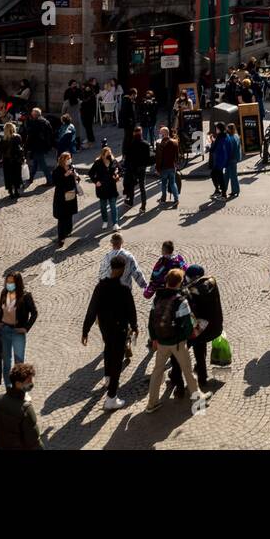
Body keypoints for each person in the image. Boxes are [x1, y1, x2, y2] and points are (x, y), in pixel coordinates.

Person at [145, 268, 210, 411]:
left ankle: (152, 403)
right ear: (180, 282)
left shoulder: (157, 298)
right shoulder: (181, 301)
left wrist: (154, 338)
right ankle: (198, 397)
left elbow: (151, 321)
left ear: (167, 280)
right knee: (187, 370)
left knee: (157, 371)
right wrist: (186, 338)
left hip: (161, 342)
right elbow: (187, 326)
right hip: (178, 343)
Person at [82, 255, 139, 410]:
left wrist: (85, 330)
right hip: (119, 329)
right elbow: (131, 311)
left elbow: (91, 309)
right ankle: (111, 397)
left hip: (105, 327)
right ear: (122, 269)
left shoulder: (100, 287)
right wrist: (134, 326)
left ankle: (107, 377)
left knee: (108, 348)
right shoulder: (124, 290)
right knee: (117, 359)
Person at [167, 263, 223, 394]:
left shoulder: (189, 291)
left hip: (193, 326)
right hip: (207, 325)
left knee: (178, 353)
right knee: (200, 350)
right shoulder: (210, 284)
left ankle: (176, 378)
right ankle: (202, 377)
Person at [0, 270, 38, 383]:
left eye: (11, 282)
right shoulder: (4, 293)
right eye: (7, 282)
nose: (9, 284)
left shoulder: (26, 296)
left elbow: (34, 313)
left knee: (19, 363)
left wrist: (26, 328)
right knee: (6, 362)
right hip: (5, 330)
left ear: (17, 283)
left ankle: (19, 387)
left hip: (18, 332)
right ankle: (9, 387)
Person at [52, 151, 80, 249]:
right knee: (62, 218)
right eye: (67, 158)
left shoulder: (72, 167)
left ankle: (68, 231)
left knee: (69, 215)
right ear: (63, 160)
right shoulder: (57, 170)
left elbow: (77, 179)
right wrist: (65, 175)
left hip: (71, 195)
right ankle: (61, 238)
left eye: (70, 158)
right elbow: (56, 182)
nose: (69, 160)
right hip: (61, 197)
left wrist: (76, 176)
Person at [90, 144, 121, 230]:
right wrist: (96, 181)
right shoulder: (98, 163)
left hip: (112, 187)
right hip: (102, 188)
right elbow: (91, 173)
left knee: (113, 206)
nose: (109, 155)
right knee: (103, 206)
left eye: (110, 153)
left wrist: (117, 175)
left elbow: (121, 170)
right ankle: (105, 221)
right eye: (107, 154)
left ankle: (115, 223)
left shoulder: (114, 161)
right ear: (103, 155)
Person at [123, 125, 151, 211]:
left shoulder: (130, 144)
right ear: (141, 133)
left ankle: (130, 202)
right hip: (142, 168)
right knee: (142, 187)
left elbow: (127, 158)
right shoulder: (146, 144)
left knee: (131, 186)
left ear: (134, 134)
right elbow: (148, 158)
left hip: (132, 168)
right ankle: (143, 206)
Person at [23, 108, 52, 186]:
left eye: (32, 113)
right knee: (35, 163)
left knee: (42, 164)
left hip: (37, 146)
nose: (31, 114)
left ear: (35, 114)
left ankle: (50, 180)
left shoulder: (36, 122)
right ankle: (31, 178)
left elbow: (30, 133)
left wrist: (27, 123)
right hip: (42, 145)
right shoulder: (45, 121)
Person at [0, 121, 24, 197]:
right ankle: (16, 191)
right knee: (16, 175)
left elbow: (1, 151)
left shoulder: (4, 139)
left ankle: (10, 191)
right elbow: (20, 148)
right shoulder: (17, 137)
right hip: (16, 160)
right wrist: (22, 158)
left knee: (8, 176)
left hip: (7, 160)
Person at [154, 127, 180, 208]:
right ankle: (176, 199)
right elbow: (177, 155)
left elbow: (159, 158)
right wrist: (176, 164)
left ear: (164, 133)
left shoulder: (160, 144)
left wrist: (157, 168)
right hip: (172, 166)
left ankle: (163, 199)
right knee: (173, 183)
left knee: (164, 184)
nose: (160, 134)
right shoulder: (175, 142)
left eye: (161, 133)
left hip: (164, 167)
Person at [208, 124, 230, 200]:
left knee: (218, 176)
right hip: (223, 159)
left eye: (216, 128)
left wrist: (210, 144)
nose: (216, 130)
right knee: (216, 174)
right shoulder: (225, 136)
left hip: (219, 160)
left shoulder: (220, 137)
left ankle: (223, 194)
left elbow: (214, 149)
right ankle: (218, 190)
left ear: (219, 129)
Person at [223, 123, 241, 199]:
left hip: (230, 159)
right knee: (227, 175)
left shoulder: (230, 138)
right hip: (234, 159)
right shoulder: (236, 136)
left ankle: (235, 190)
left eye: (228, 129)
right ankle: (224, 190)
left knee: (232, 176)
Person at [80, 81, 98, 148]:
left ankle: (90, 141)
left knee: (88, 127)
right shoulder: (86, 93)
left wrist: (81, 102)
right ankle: (90, 139)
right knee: (87, 126)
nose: (85, 88)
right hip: (85, 112)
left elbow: (86, 102)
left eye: (86, 86)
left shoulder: (91, 94)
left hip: (88, 113)